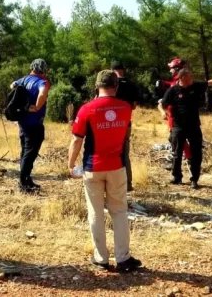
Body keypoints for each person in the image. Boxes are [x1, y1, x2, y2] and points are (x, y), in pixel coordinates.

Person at [67, 70, 142, 273]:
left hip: (93, 167)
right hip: (117, 166)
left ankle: (101, 258)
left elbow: (77, 139)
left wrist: (71, 163)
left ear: (96, 86)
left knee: (95, 212)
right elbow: (126, 133)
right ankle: (123, 258)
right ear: (116, 86)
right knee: (119, 211)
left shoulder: (86, 109)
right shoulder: (126, 108)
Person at [159, 68, 212, 189]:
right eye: (188, 79)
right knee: (177, 153)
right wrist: (162, 112)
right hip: (178, 126)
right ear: (181, 78)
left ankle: (194, 180)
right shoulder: (172, 91)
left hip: (194, 126)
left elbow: (211, 82)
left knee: (196, 153)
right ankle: (177, 177)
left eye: (191, 78)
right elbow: (162, 104)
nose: (191, 80)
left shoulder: (195, 86)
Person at [12, 58, 50, 193]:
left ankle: (27, 179)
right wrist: (37, 106)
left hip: (22, 121)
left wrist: (23, 105)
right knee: (30, 152)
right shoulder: (42, 82)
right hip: (34, 123)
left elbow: (12, 85)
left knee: (25, 150)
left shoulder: (23, 80)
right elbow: (43, 92)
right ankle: (23, 182)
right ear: (44, 69)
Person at [110, 61, 139, 192]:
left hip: (110, 123)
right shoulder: (132, 85)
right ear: (123, 70)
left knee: (110, 153)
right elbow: (133, 105)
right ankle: (128, 184)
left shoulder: (111, 84)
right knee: (125, 154)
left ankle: (112, 184)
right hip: (126, 123)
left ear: (112, 70)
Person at [157, 58, 192, 161]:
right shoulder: (180, 80)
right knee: (176, 136)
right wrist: (164, 83)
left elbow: (173, 89)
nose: (170, 70)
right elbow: (171, 85)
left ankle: (186, 157)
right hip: (177, 113)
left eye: (171, 68)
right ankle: (187, 156)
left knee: (176, 136)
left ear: (177, 69)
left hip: (175, 114)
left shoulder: (178, 82)